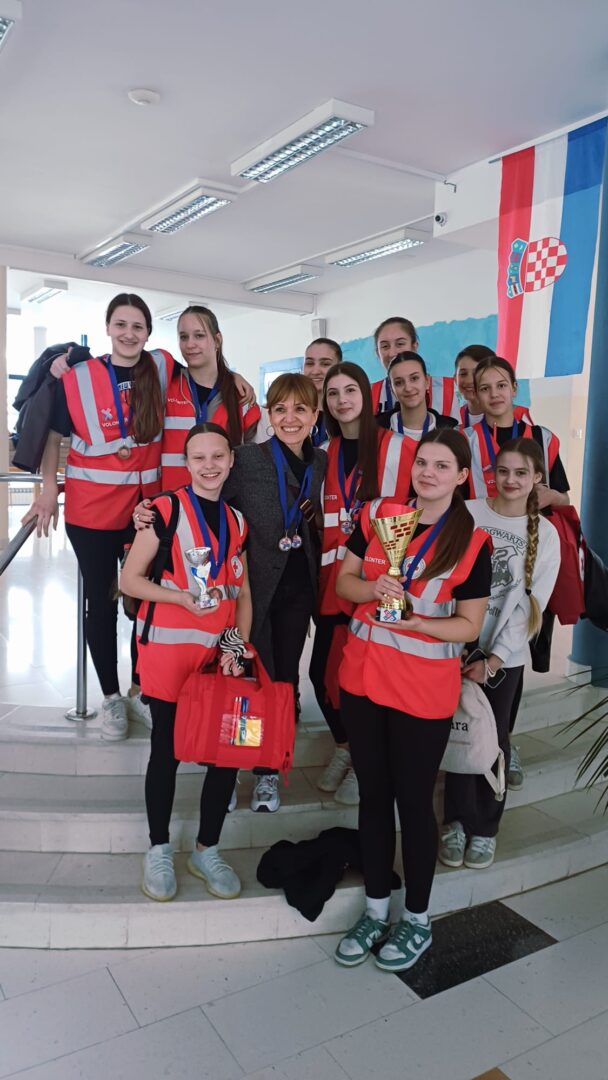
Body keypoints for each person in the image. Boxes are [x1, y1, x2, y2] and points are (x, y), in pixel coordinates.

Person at [333, 429, 491, 972]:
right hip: (363, 682)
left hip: (422, 692)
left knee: (415, 803)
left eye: (442, 466)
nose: (428, 472)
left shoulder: (472, 541)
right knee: (373, 797)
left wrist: (420, 622)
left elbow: (469, 625)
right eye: (423, 462)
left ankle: (417, 919)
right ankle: (376, 909)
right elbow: (344, 584)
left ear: (462, 477)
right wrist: (371, 590)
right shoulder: (382, 518)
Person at [23, 293, 174, 741]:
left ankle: (141, 691)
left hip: (145, 510)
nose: (129, 334)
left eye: (138, 326)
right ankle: (111, 698)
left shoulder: (162, 367)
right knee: (102, 604)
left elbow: (206, 373)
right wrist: (47, 489)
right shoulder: (78, 376)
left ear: (148, 333)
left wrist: (237, 379)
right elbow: (54, 437)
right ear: (108, 328)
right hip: (91, 511)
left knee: (146, 602)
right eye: (121, 324)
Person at [120, 423, 251, 902]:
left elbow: (242, 593)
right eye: (199, 457)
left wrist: (239, 647)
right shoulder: (163, 510)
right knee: (167, 751)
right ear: (187, 462)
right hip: (169, 653)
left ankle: (206, 849)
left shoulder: (238, 521)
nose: (209, 465)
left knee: (227, 754)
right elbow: (130, 580)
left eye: (218, 456)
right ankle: (158, 848)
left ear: (231, 460)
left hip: (220, 657)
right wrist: (179, 597)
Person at [440, 438, 560, 870]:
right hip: (455, 645)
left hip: (502, 659)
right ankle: (455, 822)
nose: (510, 480)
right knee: (458, 731)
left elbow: (532, 607)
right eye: (503, 471)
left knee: (493, 740)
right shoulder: (468, 513)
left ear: (537, 478)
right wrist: (454, 645)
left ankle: (485, 827)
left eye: (521, 473)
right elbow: (444, 580)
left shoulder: (546, 535)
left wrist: (492, 660)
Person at [222, 373, 326, 813]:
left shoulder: (321, 463)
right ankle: (233, 764)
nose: (290, 418)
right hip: (251, 589)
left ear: (315, 415)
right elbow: (210, 498)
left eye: (300, 409)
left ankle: (268, 769)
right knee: (247, 679)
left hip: (297, 589)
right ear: (269, 414)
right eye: (280, 409)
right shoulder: (247, 459)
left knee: (284, 681)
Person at [311, 362, 409, 804]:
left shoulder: (402, 448)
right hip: (333, 584)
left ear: (367, 397)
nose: (341, 400)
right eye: (332, 393)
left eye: (350, 390)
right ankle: (346, 748)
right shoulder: (323, 452)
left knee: (374, 678)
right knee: (323, 675)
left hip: (384, 585)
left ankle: (368, 763)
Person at [161, 305, 261, 490]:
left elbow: (256, 463)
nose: (190, 344)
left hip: (225, 501)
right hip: (173, 500)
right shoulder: (166, 388)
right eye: (184, 337)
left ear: (217, 340)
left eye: (199, 335)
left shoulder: (241, 395)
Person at [464, 357, 569, 506]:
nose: (494, 394)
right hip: (479, 521)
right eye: (485, 388)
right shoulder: (465, 440)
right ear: (476, 394)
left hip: (532, 521)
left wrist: (552, 496)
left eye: (501, 385)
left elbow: (565, 501)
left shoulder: (543, 438)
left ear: (514, 388)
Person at [455, 344, 531, 428]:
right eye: (463, 374)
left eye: (476, 373)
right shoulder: (454, 417)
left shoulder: (519, 415)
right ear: (455, 378)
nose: (469, 380)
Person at [370, 316, 419, 415]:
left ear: (414, 347)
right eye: (385, 346)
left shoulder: (445, 390)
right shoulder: (367, 395)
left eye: (400, 344)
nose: (392, 353)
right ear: (378, 353)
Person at [302, 337, 343, 446]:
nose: (315, 371)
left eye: (325, 364)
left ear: (340, 367)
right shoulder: (290, 413)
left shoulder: (349, 412)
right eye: (310, 363)